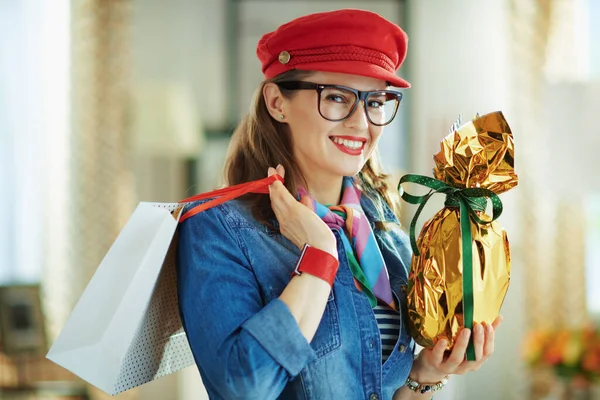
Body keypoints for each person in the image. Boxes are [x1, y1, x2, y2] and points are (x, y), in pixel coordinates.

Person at [176, 8, 502, 400]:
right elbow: (244, 388)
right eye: (336, 98)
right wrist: (318, 257)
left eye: (376, 101)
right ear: (277, 102)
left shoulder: (379, 222)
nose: (361, 123)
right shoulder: (217, 228)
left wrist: (425, 374)